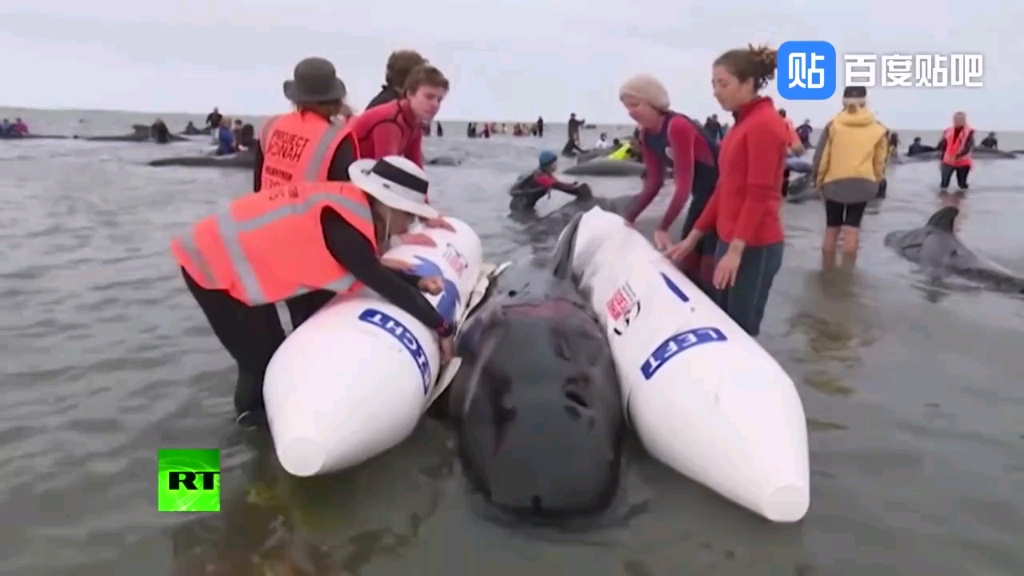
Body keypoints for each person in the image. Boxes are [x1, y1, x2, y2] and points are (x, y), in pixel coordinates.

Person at [170, 156, 456, 428]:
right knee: (259, 363)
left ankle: (262, 439)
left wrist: (416, 281)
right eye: (411, 216)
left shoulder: (348, 206)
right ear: (390, 207)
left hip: (228, 258)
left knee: (274, 353)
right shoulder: (344, 222)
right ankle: (242, 436)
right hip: (209, 264)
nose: (411, 225)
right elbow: (378, 279)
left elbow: (365, 267)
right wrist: (442, 326)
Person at [666, 45, 788, 337]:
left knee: (741, 333)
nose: (716, 91)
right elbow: (725, 189)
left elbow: (759, 194)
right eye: (713, 84)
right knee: (721, 322)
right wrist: (694, 237)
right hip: (728, 239)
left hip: (753, 246)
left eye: (723, 83)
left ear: (748, 84)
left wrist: (735, 251)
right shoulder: (738, 127)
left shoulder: (765, 125)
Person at [618, 74, 719, 291]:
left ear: (654, 103)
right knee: (687, 259)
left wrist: (663, 227)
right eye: (627, 107)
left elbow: (684, 183)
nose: (631, 112)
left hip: (723, 196)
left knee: (708, 260)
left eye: (635, 105)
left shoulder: (677, 126)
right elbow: (654, 182)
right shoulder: (646, 135)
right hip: (702, 197)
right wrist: (629, 218)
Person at [810, 86, 887, 267]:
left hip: (834, 183)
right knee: (852, 229)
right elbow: (880, 162)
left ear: (843, 102)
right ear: (865, 101)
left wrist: (817, 181)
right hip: (864, 182)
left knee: (832, 228)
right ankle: (847, 275)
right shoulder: (878, 129)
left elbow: (821, 158)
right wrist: (875, 181)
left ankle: (827, 271)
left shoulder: (833, 125)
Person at [253, 57, 349, 191]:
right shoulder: (337, 139)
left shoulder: (270, 126)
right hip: (312, 212)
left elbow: (257, 186)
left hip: (267, 210)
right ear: (337, 99)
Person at [509, 150, 592, 211]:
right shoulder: (541, 177)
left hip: (526, 205)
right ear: (547, 165)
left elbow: (559, 183)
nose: (556, 165)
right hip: (520, 207)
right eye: (554, 163)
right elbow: (559, 186)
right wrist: (578, 191)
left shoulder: (545, 174)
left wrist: (572, 184)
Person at [937, 111, 974, 192]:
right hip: (947, 161)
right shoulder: (948, 130)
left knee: (962, 185)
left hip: (962, 162)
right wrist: (941, 156)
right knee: (944, 184)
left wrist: (957, 156)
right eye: (955, 119)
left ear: (964, 120)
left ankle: (963, 200)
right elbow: (942, 145)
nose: (957, 121)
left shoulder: (969, 132)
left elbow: (968, 147)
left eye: (960, 119)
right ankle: (942, 202)